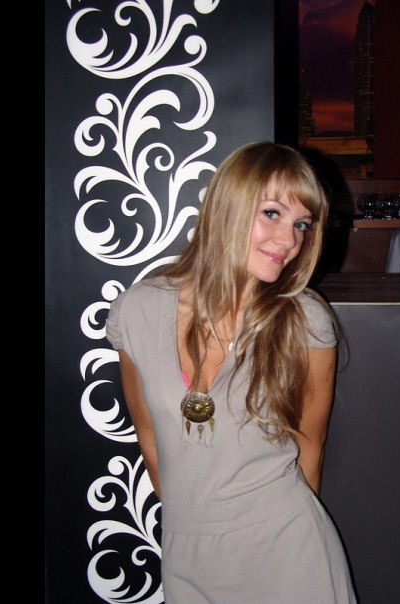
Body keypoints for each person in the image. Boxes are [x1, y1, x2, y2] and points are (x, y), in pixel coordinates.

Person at [106, 142, 357, 603]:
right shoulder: (136, 311)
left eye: (302, 224)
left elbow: (310, 449)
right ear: (227, 206)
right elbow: (149, 437)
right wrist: (196, 522)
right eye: (272, 213)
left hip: (288, 550)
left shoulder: (305, 321)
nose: (290, 241)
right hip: (188, 554)